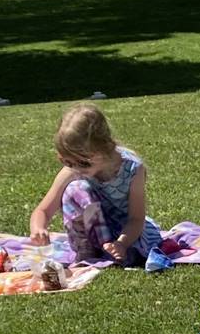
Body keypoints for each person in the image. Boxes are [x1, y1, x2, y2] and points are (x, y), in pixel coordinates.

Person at [28, 104, 163, 268]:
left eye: (82, 162)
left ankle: (111, 252)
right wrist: (38, 228)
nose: (75, 167)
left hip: (124, 232)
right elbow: (43, 210)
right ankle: (87, 251)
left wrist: (122, 243)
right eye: (66, 161)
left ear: (103, 148)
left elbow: (136, 219)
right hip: (91, 235)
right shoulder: (73, 170)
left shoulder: (132, 169)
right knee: (75, 189)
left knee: (128, 255)